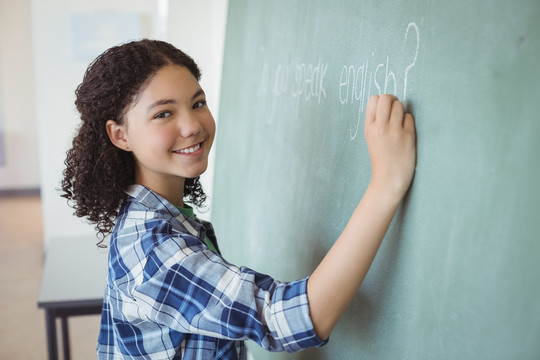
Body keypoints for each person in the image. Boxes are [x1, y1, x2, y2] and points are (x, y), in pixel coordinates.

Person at [61, 39, 416, 359]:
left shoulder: (159, 213)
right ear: (120, 135)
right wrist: (385, 184)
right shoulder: (155, 250)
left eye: (197, 103)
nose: (192, 125)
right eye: (164, 113)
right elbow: (287, 320)